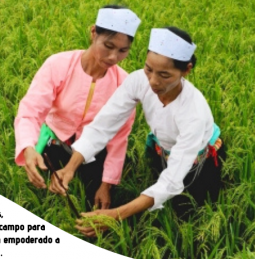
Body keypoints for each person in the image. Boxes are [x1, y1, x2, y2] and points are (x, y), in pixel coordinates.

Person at [50, 27, 226, 237]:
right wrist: (70, 167)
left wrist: (116, 214)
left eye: (164, 75)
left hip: (200, 160)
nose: (153, 81)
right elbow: (103, 125)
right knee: (154, 189)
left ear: (186, 70)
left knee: (187, 215)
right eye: (148, 69)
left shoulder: (193, 113)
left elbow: (171, 181)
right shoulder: (138, 81)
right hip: (161, 148)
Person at [14, 5, 141, 210]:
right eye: (108, 46)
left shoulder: (123, 85)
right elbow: (31, 111)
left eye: (122, 51)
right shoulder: (59, 65)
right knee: (44, 191)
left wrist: (106, 185)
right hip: (56, 140)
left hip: (93, 150)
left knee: (94, 197)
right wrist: (28, 148)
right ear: (93, 33)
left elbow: (119, 138)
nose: (112, 57)